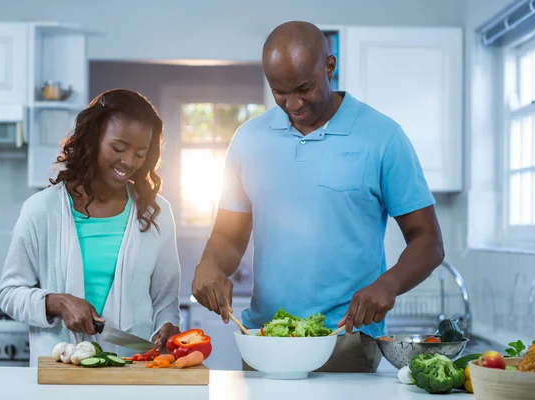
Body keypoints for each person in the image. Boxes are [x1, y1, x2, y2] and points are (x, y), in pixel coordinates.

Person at [191, 21, 445, 373]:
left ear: (330, 67)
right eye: (279, 91)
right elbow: (227, 238)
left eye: (304, 88)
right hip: (265, 340)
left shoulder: (383, 136)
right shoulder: (248, 139)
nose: (292, 103)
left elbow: (428, 240)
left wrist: (388, 285)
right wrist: (209, 266)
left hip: (349, 341)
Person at [0, 89, 181, 367]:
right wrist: (57, 301)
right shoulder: (41, 210)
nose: (129, 162)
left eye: (140, 154)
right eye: (119, 148)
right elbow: (9, 293)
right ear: (93, 139)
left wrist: (168, 326)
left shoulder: (156, 213)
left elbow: (166, 300)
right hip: (60, 371)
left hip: (135, 370)